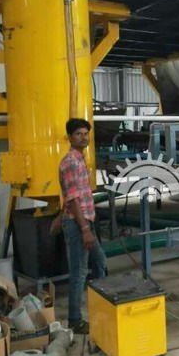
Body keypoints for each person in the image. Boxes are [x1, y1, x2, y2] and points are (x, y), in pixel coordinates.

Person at [59, 118, 106, 334]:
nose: (83, 137)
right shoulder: (70, 162)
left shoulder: (80, 159)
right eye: (78, 134)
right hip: (79, 225)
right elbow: (73, 198)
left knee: (100, 261)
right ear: (70, 137)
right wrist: (85, 229)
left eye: (86, 134)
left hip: (86, 221)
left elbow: (73, 196)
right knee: (79, 272)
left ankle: (103, 307)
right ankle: (75, 320)